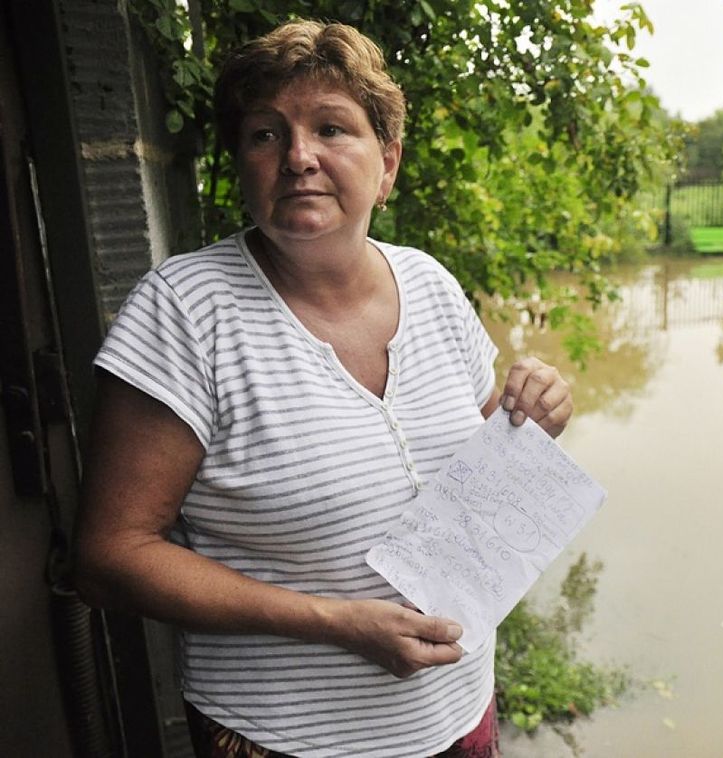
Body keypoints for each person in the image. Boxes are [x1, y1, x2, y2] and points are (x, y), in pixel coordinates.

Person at [73, 19, 572, 758]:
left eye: (332, 128)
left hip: (458, 713)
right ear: (242, 164)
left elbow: (469, 478)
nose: (299, 157)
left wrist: (528, 416)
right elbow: (111, 555)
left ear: (389, 162)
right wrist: (332, 620)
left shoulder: (430, 285)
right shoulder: (184, 311)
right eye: (266, 135)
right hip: (289, 740)